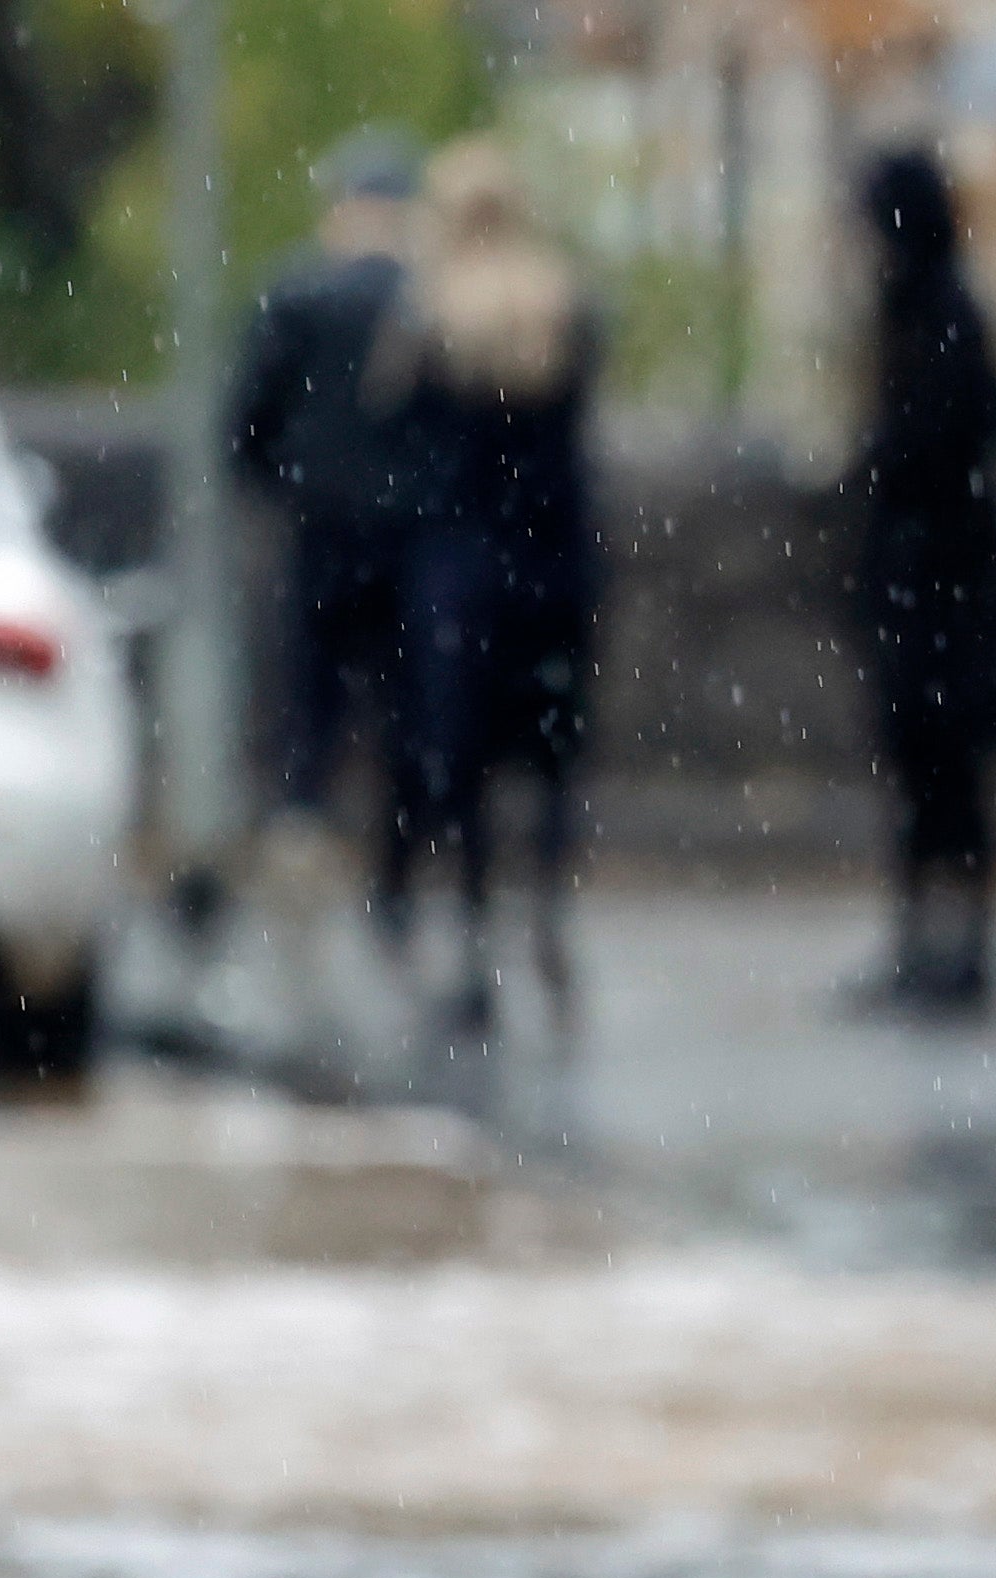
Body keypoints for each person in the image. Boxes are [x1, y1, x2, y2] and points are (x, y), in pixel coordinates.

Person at [369, 139, 601, 1039]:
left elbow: (396, 435)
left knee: (459, 767)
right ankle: (546, 914)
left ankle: (471, 950)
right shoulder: (565, 303)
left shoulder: (428, 314)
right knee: (550, 760)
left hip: (461, 569)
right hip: (555, 564)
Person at [225, 134, 427, 924]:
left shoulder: (297, 296)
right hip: (408, 537)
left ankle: (303, 852)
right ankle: (396, 879)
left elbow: (248, 420)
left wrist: (283, 483)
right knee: (405, 713)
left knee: (310, 708)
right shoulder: (423, 301)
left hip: (320, 529)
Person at [843, 145, 996, 1015]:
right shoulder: (932, 313)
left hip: (943, 588)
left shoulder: (940, 317)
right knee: (931, 775)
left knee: (947, 775)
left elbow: (944, 440)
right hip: (938, 586)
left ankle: (954, 948)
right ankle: (932, 945)